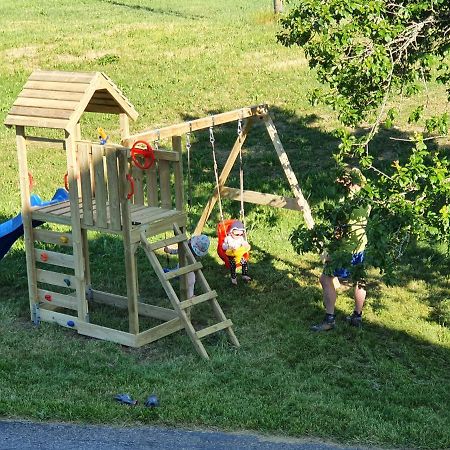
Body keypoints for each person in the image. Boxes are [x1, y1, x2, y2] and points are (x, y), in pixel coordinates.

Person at [311, 167, 371, 331]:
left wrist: (330, 252)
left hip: (344, 251)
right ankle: (357, 316)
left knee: (325, 279)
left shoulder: (345, 205)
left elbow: (339, 232)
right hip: (360, 247)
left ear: (348, 183)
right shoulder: (366, 200)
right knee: (359, 280)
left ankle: (329, 319)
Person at [164, 234, 210, 299]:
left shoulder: (193, 252)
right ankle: (168, 272)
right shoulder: (187, 247)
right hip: (182, 265)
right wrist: (170, 251)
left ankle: (190, 295)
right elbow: (178, 251)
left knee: (191, 280)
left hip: (190, 268)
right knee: (180, 275)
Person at [222, 220, 251, 285]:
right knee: (233, 266)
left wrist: (246, 245)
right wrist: (229, 247)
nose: (239, 236)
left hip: (239, 254)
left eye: (241, 234)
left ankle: (244, 275)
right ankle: (233, 278)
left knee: (244, 263)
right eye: (237, 234)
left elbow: (244, 243)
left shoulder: (240, 238)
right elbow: (223, 246)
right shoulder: (228, 238)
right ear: (231, 232)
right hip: (231, 255)